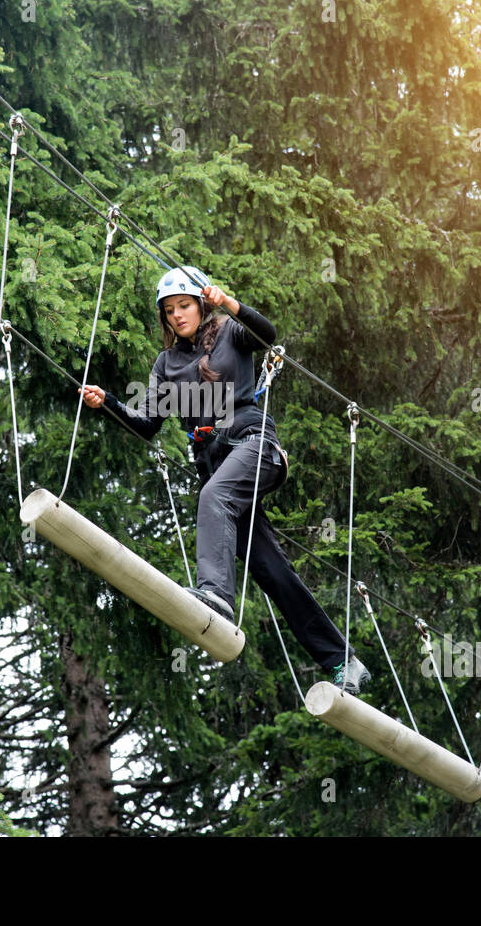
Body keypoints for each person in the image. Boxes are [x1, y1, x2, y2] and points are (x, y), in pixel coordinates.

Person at [79, 266, 371, 695]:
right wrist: (109, 403)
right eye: (169, 310)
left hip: (254, 447)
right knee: (272, 570)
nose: (177, 315)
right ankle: (344, 661)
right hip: (220, 470)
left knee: (212, 497)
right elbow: (148, 425)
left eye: (184, 305)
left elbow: (268, 333)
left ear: (200, 304)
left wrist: (229, 302)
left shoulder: (232, 333)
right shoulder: (167, 364)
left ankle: (214, 594)